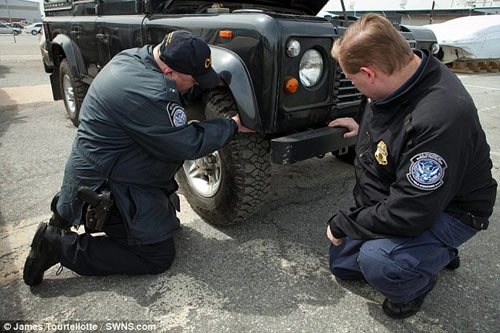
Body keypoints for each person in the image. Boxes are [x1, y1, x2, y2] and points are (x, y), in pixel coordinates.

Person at [23, 30, 253, 286]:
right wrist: (230, 126)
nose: (197, 84)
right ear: (169, 72)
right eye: (194, 79)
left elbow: (177, 92)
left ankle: (66, 223)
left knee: (163, 225)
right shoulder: (148, 93)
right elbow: (186, 143)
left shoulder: (135, 58)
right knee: (157, 256)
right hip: (105, 187)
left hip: (111, 166)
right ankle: (58, 247)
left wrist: (210, 82)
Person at [326, 14, 497, 319]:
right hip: (417, 197)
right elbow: (389, 118)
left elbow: (411, 212)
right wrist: (363, 127)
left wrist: (343, 222)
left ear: (370, 73)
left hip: (453, 209)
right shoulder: (404, 73)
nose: (355, 86)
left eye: (354, 80)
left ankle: (422, 276)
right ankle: (429, 252)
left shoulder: (439, 117)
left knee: (380, 264)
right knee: (343, 263)